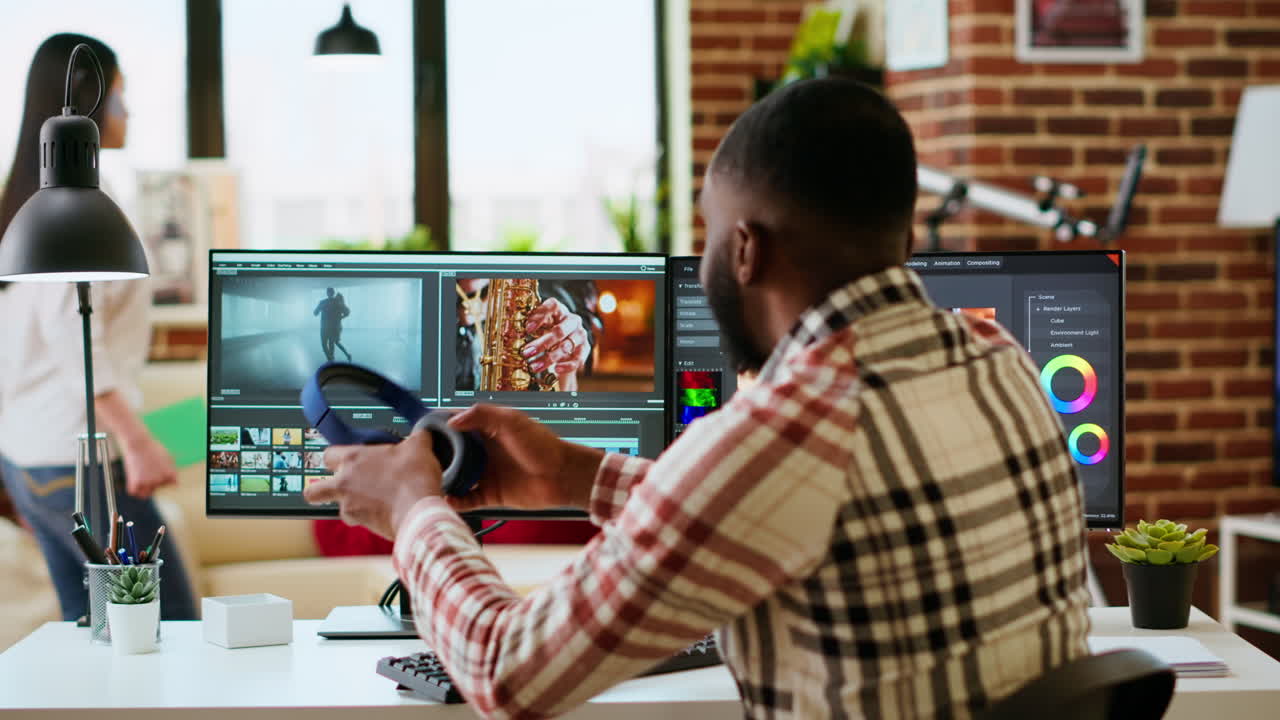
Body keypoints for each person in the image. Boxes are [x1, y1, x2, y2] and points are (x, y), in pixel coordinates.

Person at [305, 78, 1089, 718]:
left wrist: (413, 509)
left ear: (746, 250)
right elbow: (806, 510)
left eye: (709, 233)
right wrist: (576, 477)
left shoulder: (786, 430)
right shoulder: (996, 356)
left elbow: (508, 671)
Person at [0, 34, 198, 621]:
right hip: (77, 461)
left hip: (27, 455)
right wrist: (137, 444)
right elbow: (69, 337)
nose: (128, 113)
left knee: (89, 631)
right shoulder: (79, 202)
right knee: (166, 626)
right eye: (119, 97)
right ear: (89, 102)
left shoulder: (26, 200)